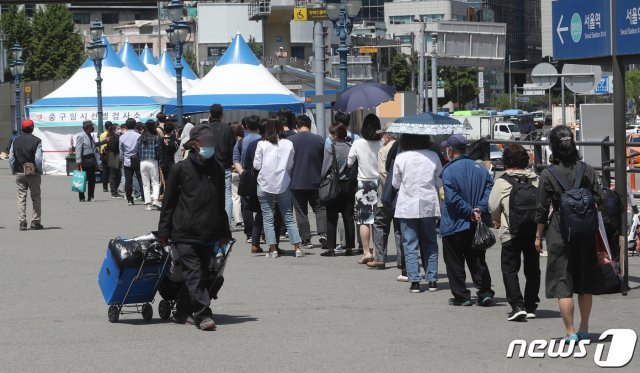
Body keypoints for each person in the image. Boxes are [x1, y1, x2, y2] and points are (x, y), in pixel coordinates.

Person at [158, 124, 231, 331]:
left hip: (208, 231)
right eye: (206, 143)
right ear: (194, 145)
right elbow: (168, 203)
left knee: (202, 274)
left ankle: (182, 312)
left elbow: (219, 203)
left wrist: (224, 231)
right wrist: (164, 232)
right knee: (193, 273)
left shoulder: (216, 168)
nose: (210, 146)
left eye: (212, 143)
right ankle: (203, 315)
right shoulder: (179, 169)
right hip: (184, 232)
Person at [534, 126, 601, 341]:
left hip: (559, 232)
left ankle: (570, 332)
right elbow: (599, 197)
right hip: (586, 232)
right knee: (584, 281)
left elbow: (542, 209)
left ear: (552, 147)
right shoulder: (587, 169)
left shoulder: (547, 174)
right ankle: (584, 327)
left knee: (563, 282)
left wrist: (538, 236)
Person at [440, 134, 495, 306]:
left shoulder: (448, 170)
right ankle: (485, 292)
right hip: (477, 222)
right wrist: (479, 208)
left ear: (450, 150)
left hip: (455, 223)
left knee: (454, 260)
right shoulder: (480, 168)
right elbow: (489, 189)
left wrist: (468, 210)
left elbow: (452, 198)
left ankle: (461, 295)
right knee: (477, 259)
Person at [488, 144, 541, 321]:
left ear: (505, 161)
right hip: (534, 232)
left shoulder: (502, 182)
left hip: (511, 231)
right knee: (532, 269)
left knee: (510, 268)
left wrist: (496, 219)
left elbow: (493, 206)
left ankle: (517, 305)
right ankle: (531, 305)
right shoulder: (536, 179)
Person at [392, 134, 442, 293]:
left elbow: (395, 183)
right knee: (430, 243)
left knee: (409, 243)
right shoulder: (433, 155)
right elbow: (440, 181)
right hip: (428, 203)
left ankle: (414, 281)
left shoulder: (401, 157)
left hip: (407, 205)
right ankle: (432, 279)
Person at [253, 116, 303, 258]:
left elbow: (256, 165)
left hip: (264, 183)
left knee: (268, 218)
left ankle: (273, 249)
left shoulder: (262, 144)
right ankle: (297, 248)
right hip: (283, 183)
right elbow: (290, 165)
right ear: (281, 127)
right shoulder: (288, 144)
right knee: (288, 216)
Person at [369, 122, 404, 275]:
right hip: (403, 196)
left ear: (388, 135)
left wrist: (390, 191)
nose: (382, 137)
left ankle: (380, 258)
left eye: (383, 134)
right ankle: (402, 259)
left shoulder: (384, 150)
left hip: (386, 195)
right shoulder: (405, 148)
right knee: (399, 228)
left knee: (380, 225)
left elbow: (384, 174)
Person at [348, 114, 383, 264]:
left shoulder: (358, 143)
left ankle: (366, 251)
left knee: (364, 220)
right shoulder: (382, 143)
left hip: (364, 183)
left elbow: (349, 162)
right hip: (379, 183)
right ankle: (377, 251)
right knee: (377, 220)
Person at [288, 114, 327, 249]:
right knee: (320, 208)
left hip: (296, 181)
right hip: (317, 180)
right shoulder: (320, 140)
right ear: (310, 126)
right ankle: (323, 234)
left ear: (297, 126)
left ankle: (306, 240)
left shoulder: (290, 140)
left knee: (301, 211)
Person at [320, 123, 356, 257]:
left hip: (333, 185)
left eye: (331, 133)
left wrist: (321, 180)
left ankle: (331, 248)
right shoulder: (350, 147)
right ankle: (350, 247)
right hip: (348, 185)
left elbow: (325, 167)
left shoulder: (331, 148)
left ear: (335, 135)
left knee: (331, 216)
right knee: (348, 216)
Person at [9, 119, 43, 231]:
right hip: (33, 173)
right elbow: (38, 159)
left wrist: (14, 170)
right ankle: (35, 221)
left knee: (21, 198)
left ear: (22, 129)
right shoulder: (37, 141)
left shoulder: (16, 141)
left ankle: (22, 222)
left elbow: (11, 157)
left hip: (19, 172)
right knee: (36, 197)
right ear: (32, 128)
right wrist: (39, 170)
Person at [207, 104, 235, 224]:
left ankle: (211, 221)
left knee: (210, 194)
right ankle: (226, 223)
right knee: (227, 196)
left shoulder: (206, 128)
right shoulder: (227, 129)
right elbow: (232, 147)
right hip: (225, 166)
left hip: (209, 166)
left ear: (210, 114)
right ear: (222, 114)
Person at [138, 120, 162, 210]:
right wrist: (159, 160)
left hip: (142, 162)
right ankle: (155, 199)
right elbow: (159, 151)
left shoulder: (140, 138)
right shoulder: (156, 138)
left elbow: (137, 152)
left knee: (145, 184)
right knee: (155, 182)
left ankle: (148, 204)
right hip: (153, 161)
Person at [119, 118, 144, 206]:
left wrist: (121, 159)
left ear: (126, 125)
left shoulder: (122, 137)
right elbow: (141, 149)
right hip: (137, 159)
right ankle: (144, 196)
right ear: (135, 125)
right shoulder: (138, 135)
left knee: (128, 180)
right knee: (140, 179)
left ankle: (129, 199)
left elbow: (121, 150)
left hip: (127, 160)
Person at [75, 120, 100, 202]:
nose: (93, 127)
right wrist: (78, 160)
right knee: (82, 179)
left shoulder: (90, 135)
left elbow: (94, 145)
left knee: (92, 179)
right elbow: (78, 148)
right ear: (87, 127)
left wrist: (102, 142)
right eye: (91, 126)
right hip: (84, 160)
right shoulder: (81, 136)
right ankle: (82, 197)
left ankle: (91, 196)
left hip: (91, 159)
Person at [230, 122, 245, 228]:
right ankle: (243, 217)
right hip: (243, 170)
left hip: (232, 171)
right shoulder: (244, 141)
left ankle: (238, 219)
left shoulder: (229, 141)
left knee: (235, 196)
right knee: (243, 195)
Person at [104, 123, 124, 199]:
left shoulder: (116, 136)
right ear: (114, 130)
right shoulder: (112, 137)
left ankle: (115, 191)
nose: (120, 130)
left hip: (115, 156)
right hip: (113, 156)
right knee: (113, 175)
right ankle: (113, 192)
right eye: (118, 128)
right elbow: (114, 147)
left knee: (117, 174)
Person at [160, 122, 179, 194]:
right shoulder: (174, 140)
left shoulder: (161, 139)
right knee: (172, 180)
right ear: (172, 131)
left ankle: (166, 193)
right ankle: (170, 194)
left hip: (163, 163)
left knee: (165, 179)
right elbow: (174, 150)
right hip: (172, 162)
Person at [99, 122, 113, 193]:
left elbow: (100, 144)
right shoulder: (111, 134)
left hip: (103, 154)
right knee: (111, 171)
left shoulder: (102, 135)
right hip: (109, 154)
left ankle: (105, 188)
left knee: (105, 172)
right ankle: (112, 187)